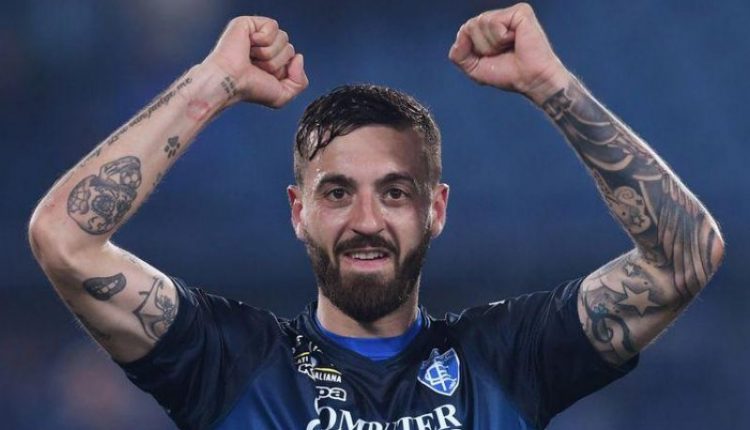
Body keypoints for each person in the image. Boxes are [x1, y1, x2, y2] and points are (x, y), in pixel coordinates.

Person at [28, 3, 724, 429]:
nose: (366, 219)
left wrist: (552, 85)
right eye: (337, 193)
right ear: (298, 212)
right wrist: (213, 83)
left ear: (435, 209)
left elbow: (685, 257)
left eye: (394, 192)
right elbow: (64, 239)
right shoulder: (233, 362)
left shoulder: (506, 359)